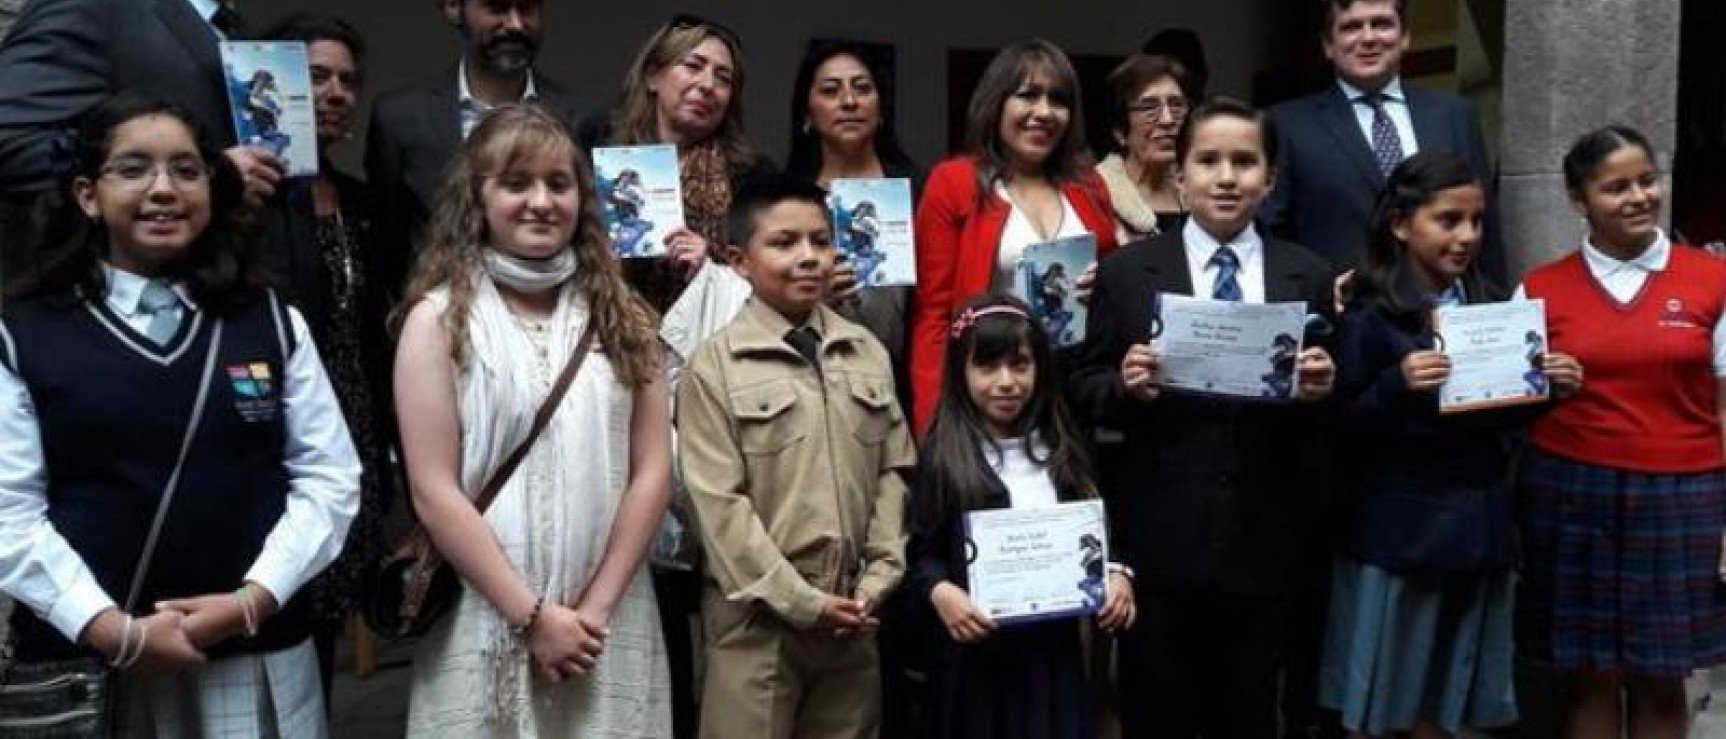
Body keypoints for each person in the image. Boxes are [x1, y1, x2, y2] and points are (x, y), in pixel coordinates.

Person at [0, 93, 359, 736]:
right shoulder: (22, 333)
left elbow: (330, 478)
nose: (163, 189)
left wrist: (250, 602)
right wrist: (116, 631)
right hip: (91, 665)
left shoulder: (272, 323)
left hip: (257, 652)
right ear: (87, 194)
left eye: (186, 171)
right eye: (134, 169)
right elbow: (8, 512)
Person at [394, 104, 671, 737]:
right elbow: (433, 493)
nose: (540, 202)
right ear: (479, 199)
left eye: (558, 183)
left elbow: (654, 471)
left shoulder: (626, 320)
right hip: (485, 613)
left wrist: (592, 615)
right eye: (516, 183)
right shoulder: (437, 321)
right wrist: (535, 618)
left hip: (611, 617)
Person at [1069, 98, 1337, 739]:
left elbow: (1339, 410)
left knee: (1246, 713)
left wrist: (1323, 387)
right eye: (1208, 161)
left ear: (1269, 178)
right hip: (1157, 542)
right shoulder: (1128, 273)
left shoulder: (1307, 275)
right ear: (1179, 175)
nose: (1227, 177)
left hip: (1264, 539)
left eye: (1245, 162)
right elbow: (1081, 388)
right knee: (1155, 711)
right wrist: (1126, 385)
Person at [1320, 151, 1585, 739]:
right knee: (1389, 709)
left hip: (1478, 532)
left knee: (1455, 710)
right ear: (1400, 224)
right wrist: (1396, 385)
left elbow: (1500, 427)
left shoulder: (1494, 307)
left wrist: (1547, 391)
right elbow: (1337, 431)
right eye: (1448, 220)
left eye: (1476, 222)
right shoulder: (1370, 315)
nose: (1466, 236)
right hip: (1401, 540)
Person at [675, 173, 915, 739]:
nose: (809, 257)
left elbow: (894, 470)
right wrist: (801, 600)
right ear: (738, 260)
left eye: (821, 241)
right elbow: (718, 508)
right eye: (784, 243)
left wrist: (879, 577)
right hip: (758, 625)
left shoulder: (866, 352)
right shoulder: (715, 368)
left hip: (852, 619)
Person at [1517, 125, 1726, 739]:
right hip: (1567, 491)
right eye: (1615, 187)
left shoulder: (1712, 280)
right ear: (1579, 201)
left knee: (1663, 676)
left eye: (1646, 180)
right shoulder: (1538, 287)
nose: (1638, 196)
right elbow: (1504, 401)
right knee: (1589, 674)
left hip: (1680, 498)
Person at [909, 293, 1136, 739]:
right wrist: (941, 593)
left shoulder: (1065, 449)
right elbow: (921, 551)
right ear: (961, 372)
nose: (1006, 382)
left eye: (1020, 365)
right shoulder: (944, 457)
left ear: (1041, 370)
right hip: (975, 664)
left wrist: (1117, 573)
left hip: (1052, 656)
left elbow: (1102, 531)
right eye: (987, 367)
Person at [784, 39, 926, 736]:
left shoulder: (915, 188)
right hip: (803, 413)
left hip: (896, 409)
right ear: (807, 109)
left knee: (890, 572)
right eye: (830, 89)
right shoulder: (785, 197)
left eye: (861, 87)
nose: (847, 99)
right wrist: (811, 298)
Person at [256, 12, 398, 694]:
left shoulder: (360, 200)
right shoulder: (246, 204)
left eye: (347, 79)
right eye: (316, 76)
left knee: (325, 639)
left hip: (355, 438)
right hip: (278, 447)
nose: (338, 92)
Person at [912, 39, 1118, 434]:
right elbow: (933, 315)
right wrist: (934, 423)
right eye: (1027, 96)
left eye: (1058, 100)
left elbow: (1114, 290)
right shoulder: (954, 182)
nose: (1044, 112)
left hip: (1072, 392)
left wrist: (1103, 289)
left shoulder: (1089, 185)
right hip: (990, 389)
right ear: (996, 103)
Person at [0, 0, 283, 277]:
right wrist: (211, 175)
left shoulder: (233, 28)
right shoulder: (92, 6)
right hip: (115, 296)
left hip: (237, 290)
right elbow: (13, 139)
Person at [1260, 0, 1499, 284]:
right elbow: (1270, 235)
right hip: (1343, 316)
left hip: (1446, 312)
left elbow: (1487, 227)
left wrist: (1493, 309)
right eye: (1351, 27)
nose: (1369, 38)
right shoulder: (1288, 124)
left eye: (1382, 24)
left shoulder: (1454, 115)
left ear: (1405, 35)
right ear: (1328, 45)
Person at [365, 0, 587, 298]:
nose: (515, 24)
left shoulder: (582, 118)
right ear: (453, 8)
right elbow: (386, 250)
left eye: (527, 9)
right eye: (497, 8)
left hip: (554, 319)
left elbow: (593, 238)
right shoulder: (400, 118)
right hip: (441, 323)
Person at [586, 14, 772, 312]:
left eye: (724, 78)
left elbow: (770, 276)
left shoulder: (754, 177)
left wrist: (711, 268)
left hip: (711, 339)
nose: (708, 84)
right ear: (653, 76)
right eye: (693, 66)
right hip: (605, 327)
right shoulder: (596, 147)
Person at [1095, 54, 1192, 242]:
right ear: (1120, 131)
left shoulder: (1200, 194)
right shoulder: (1094, 195)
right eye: (1149, 107)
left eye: (1177, 105)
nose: (1167, 119)